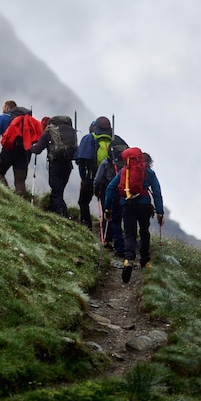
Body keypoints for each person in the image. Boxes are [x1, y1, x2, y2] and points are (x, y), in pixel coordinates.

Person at [104, 147, 165, 283]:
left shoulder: (125, 171)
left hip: (127, 205)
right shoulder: (149, 172)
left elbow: (110, 188)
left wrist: (108, 208)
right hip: (144, 205)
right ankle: (145, 261)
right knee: (144, 232)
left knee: (130, 233)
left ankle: (128, 260)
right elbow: (156, 192)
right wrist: (160, 212)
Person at [29, 118, 73, 218]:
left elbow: (37, 149)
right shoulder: (69, 133)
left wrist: (29, 147)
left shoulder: (48, 132)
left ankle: (63, 216)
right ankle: (54, 211)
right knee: (59, 191)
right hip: (68, 165)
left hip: (55, 165)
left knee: (56, 192)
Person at [0, 107, 41, 197]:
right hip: (23, 154)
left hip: (8, 151)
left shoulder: (9, 120)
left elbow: (3, 137)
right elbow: (31, 142)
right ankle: (20, 198)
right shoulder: (30, 123)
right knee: (20, 180)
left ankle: (5, 193)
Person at [75, 116, 113, 230]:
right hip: (108, 180)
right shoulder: (114, 140)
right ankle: (108, 234)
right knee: (106, 206)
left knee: (83, 201)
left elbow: (81, 160)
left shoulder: (89, 138)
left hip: (91, 176)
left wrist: (83, 177)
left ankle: (86, 226)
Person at [93, 135, 129, 257]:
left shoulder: (106, 162)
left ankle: (108, 241)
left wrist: (96, 191)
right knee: (118, 218)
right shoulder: (126, 164)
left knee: (108, 215)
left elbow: (98, 180)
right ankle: (121, 244)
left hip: (108, 191)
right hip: (124, 193)